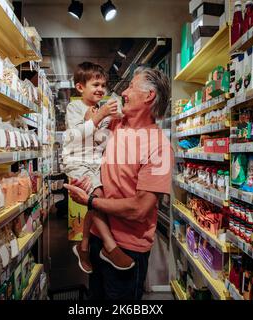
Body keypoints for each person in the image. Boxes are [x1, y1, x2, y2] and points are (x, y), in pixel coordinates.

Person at [65, 66, 173, 300]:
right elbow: (82, 139)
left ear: (149, 96)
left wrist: (91, 201)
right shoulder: (115, 126)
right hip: (97, 239)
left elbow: (140, 208)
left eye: (131, 87)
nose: (123, 92)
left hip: (127, 248)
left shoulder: (160, 147)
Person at [62, 62, 135, 275]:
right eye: (95, 84)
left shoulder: (102, 107)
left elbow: (119, 119)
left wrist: (121, 111)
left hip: (96, 162)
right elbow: (77, 136)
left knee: (94, 204)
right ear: (80, 87)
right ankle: (110, 247)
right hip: (77, 162)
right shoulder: (74, 108)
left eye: (103, 85)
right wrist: (100, 115)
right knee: (98, 198)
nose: (100, 89)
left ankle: (83, 247)